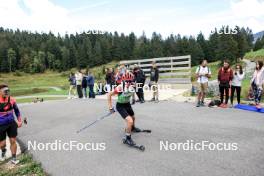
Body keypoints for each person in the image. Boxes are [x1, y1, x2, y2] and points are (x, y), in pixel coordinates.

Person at [107, 72, 141, 146]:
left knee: (133, 117)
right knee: (130, 121)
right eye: (127, 81)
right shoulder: (120, 87)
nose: (129, 83)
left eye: (130, 81)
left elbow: (132, 92)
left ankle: (132, 128)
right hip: (120, 106)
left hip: (127, 104)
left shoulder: (134, 85)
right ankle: (127, 138)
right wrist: (110, 107)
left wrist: (134, 99)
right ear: (124, 81)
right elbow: (109, 94)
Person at [0, 84, 22, 164]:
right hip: (1, 125)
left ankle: (14, 158)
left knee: (13, 140)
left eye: (8, 91)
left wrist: (19, 121)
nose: (7, 92)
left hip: (11, 123)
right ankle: (3, 150)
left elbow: (17, 111)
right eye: (5, 91)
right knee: (2, 144)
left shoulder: (12, 100)